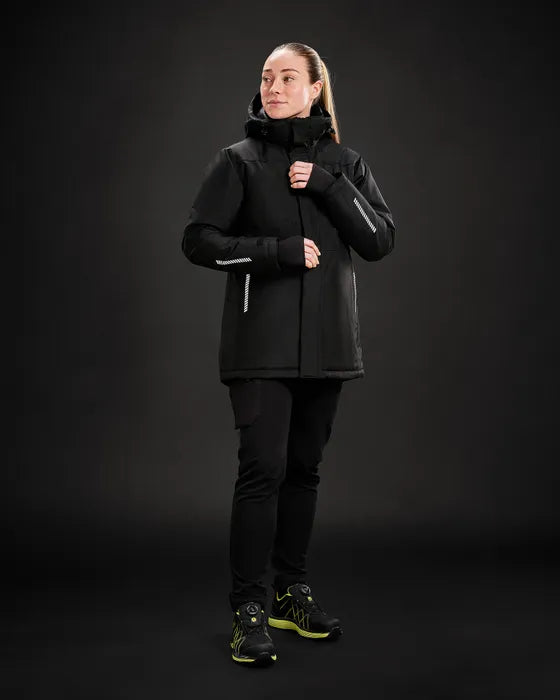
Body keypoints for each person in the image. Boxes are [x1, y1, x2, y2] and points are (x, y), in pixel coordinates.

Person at [181, 42, 395, 667]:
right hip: (260, 347)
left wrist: (329, 186)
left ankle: (289, 594)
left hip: (328, 346)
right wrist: (273, 251)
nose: (273, 88)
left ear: (315, 88)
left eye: (288, 77)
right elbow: (198, 241)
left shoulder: (345, 164)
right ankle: (248, 609)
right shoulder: (239, 161)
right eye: (267, 77)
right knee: (263, 471)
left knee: (304, 470)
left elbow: (379, 240)